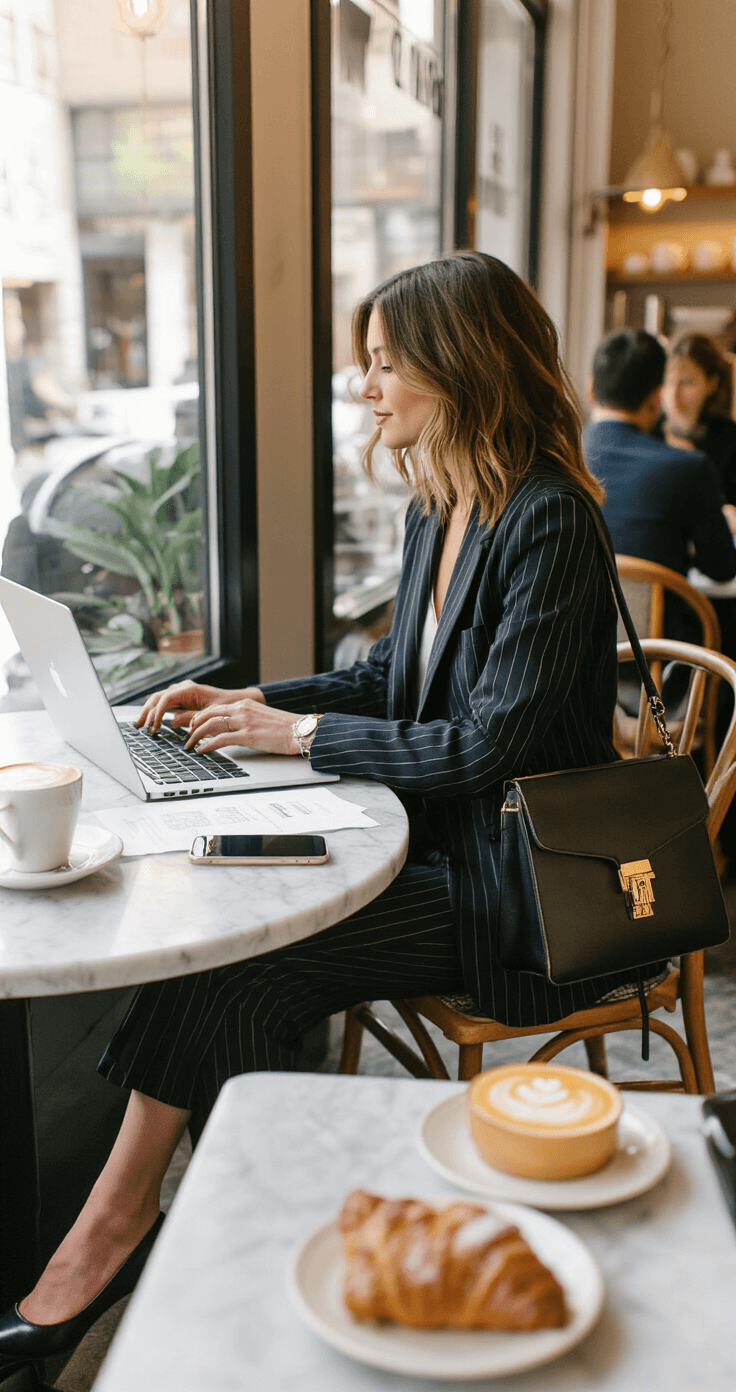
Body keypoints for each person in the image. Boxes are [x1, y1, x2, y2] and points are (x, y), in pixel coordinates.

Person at [0, 253, 664, 1378]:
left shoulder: (548, 524)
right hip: (441, 849)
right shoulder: (441, 504)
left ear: (459, 367)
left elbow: (490, 746)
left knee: (238, 968)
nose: (366, 388)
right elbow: (392, 686)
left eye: (384, 364)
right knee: (228, 935)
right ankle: (250, 1243)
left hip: (523, 889)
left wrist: (292, 740)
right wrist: (254, 700)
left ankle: (133, 1247)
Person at [583, 329, 736, 619]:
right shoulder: (688, 467)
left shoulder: (554, 457)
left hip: (567, 650)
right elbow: (722, 568)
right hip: (655, 655)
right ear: (656, 397)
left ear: (591, 391)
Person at [660, 331, 736, 533]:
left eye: (686, 382)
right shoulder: (645, 435)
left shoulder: (731, 439)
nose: (673, 395)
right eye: (667, 382)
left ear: (712, 383)